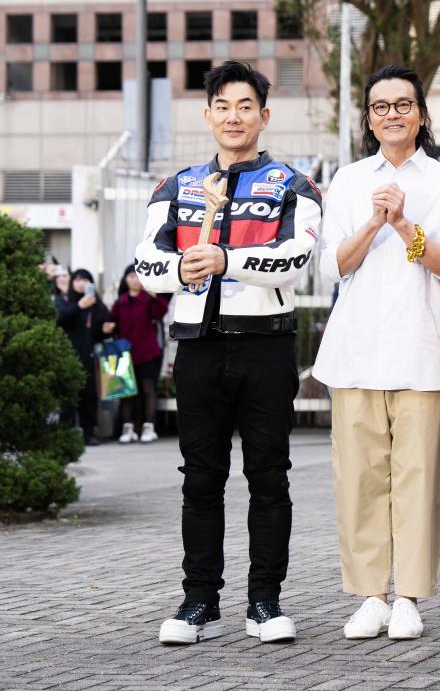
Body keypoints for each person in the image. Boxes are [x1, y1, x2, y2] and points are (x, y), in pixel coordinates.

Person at [134, 60, 322, 646]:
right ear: (208, 114)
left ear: (263, 116)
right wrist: (178, 267)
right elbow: (145, 264)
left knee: (269, 476)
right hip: (196, 349)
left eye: (246, 106)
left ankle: (265, 602)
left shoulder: (294, 183)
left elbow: (297, 260)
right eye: (223, 105)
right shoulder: (176, 186)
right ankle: (198, 601)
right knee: (200, 479)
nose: (234, 116)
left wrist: (227, 259)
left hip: (265, 347)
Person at [313, 66, 440, 642]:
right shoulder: (349, 180)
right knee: (359, 478)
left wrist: (404, 223)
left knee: (418, 477)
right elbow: (334, 265)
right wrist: (374, 220)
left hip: (421, 348)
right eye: (380, 107)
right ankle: (369, 595)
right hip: (355, 350)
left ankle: (408, 596)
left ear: (422, 115)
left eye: (404, 105)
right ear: (368, 119)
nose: (393, 115)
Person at [104, 263, 170, 444]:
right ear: (125, 280)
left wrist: (153, 293)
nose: (134, 280)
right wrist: (108, 327)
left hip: (148, 352)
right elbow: (111, 323)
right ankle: (127, 428)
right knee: (126, 392)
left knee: (148, 389)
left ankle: (149, 426)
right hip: (125, 354)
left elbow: (162, 310)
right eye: (131, 276)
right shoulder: (121, 301)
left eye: (137, 276)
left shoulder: (148, 298)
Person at [54, 267, 110, 446]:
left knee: (89, 395)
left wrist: (106, 330)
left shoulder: (96, 304)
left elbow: (99, 331)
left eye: (85, 280)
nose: (81, 283)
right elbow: (60, 319)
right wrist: (79, 306)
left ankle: (88, 433)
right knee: (68, 396)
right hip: (67, 355)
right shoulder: (65, 301)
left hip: (89, 355)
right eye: (77, 280)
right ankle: (65, 433)